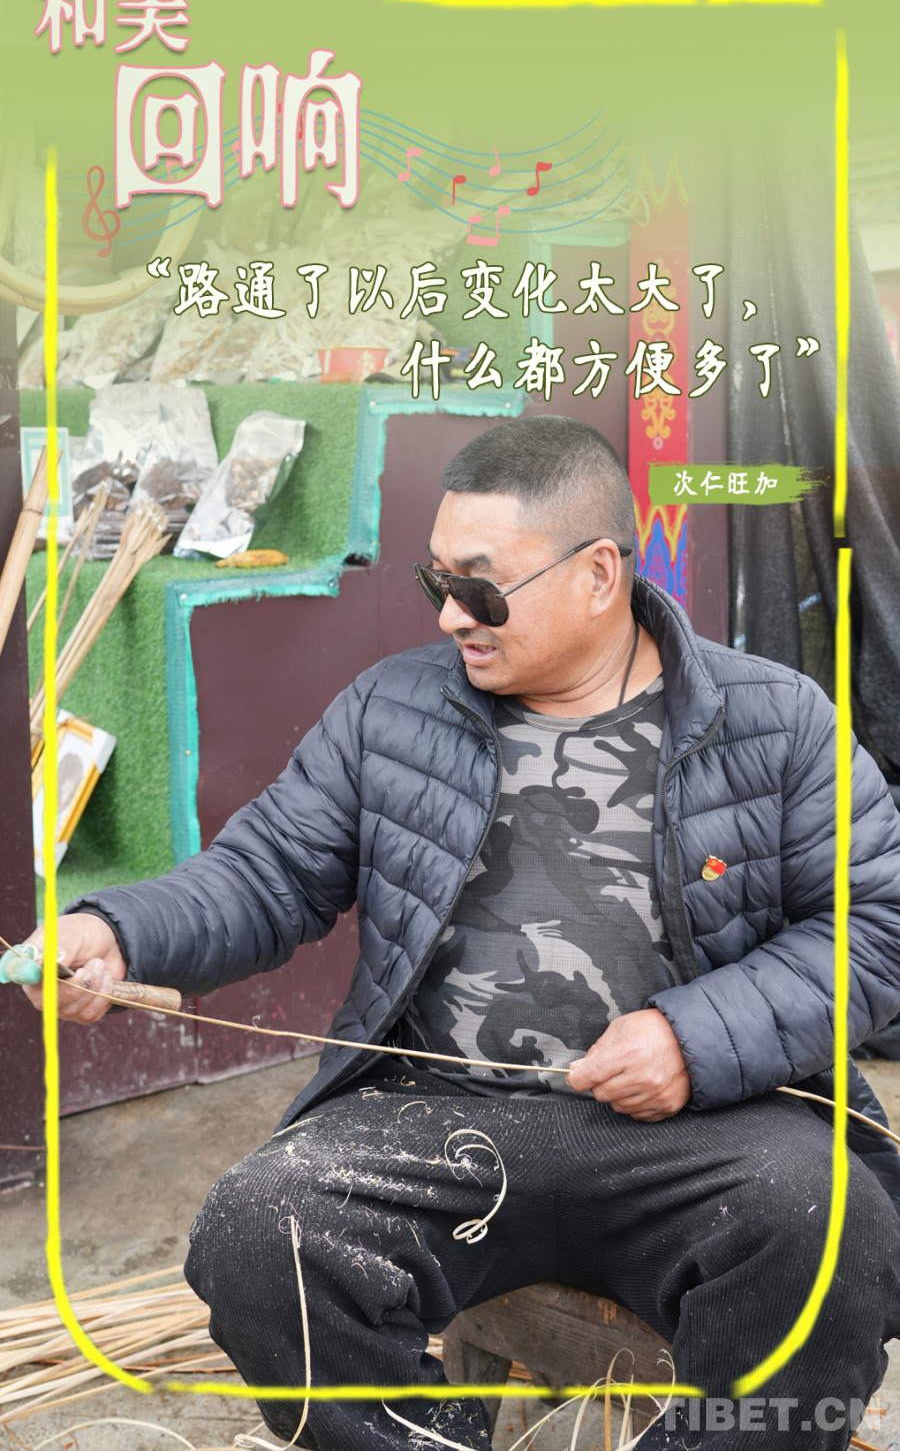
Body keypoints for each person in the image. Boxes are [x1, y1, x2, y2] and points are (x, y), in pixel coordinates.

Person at [22, 416, 900, 1450]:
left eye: (480, 589)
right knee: (259, 1233)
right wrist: (118, 931)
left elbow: (874, 928)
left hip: (707, 1128)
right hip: (439, 1114)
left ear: (599, 574)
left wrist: (693, 1038)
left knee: (830, 1231)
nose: (449, 616)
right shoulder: (389, 712)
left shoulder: (777, 722)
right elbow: (265, 873)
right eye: (434, 580)